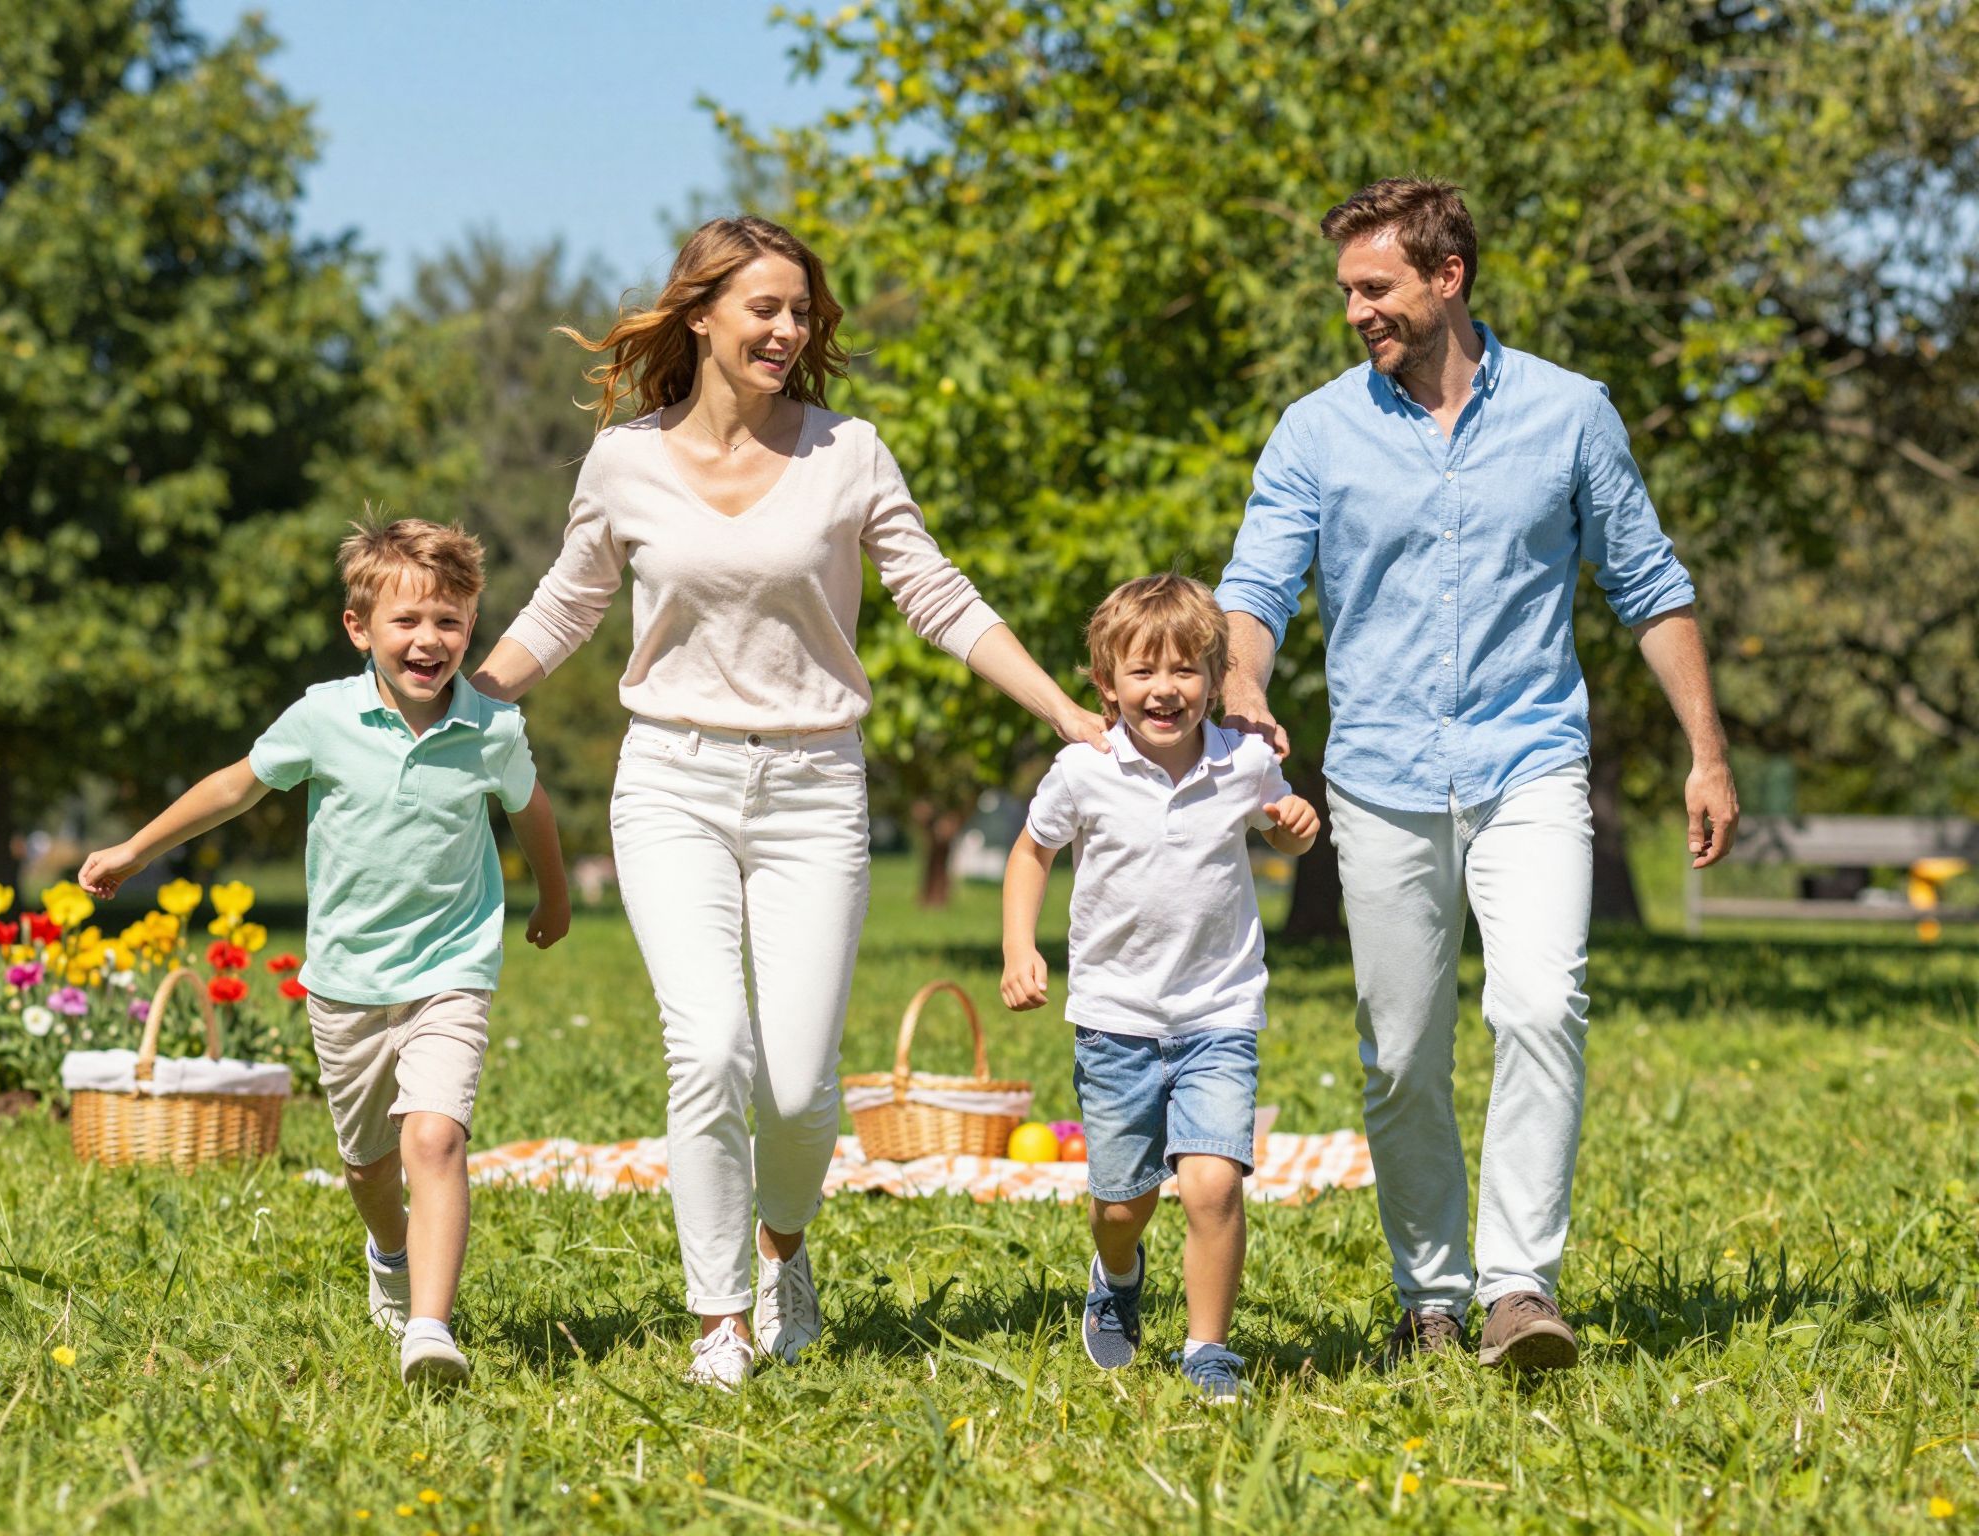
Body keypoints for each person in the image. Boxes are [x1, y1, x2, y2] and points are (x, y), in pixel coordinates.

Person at [468, 215, 1108, 1391]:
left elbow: (935, 593)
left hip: (815, 786)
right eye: (764, 307)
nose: (786, 329)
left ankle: (783, 1250)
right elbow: (565, 606)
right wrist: (460, 704)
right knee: (707, 1046)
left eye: (801, 312)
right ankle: (718, 1315)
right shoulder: (622, 461)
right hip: (670, 778)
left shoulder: (844, 452)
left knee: (804, 1085)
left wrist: (1062, 711)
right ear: (699, 313)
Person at [1216, 179, 1739, 1372]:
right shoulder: (1315, 431)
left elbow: (1648, 585)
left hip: (1529, 762)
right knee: (1400, 1051)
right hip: (1382, 775)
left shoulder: (1568, 414)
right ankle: (1428, 1294)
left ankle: (1516, 1286)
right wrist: (1243, 679)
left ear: (1447, 277)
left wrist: (1705, 751)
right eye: (1345, 290)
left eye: (1375, 287)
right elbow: (1253, 587)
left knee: (1539, 1002)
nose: (1355, 311)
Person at [80, 518, 570, 1388]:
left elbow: (530, 813)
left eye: (451, 623)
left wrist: (554, 894)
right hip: (344, 981)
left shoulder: (493, 727)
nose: (430, 641)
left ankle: (430, 1328)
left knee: (435, 1139)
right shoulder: (323, 717)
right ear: (360, 629)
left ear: (472, 626)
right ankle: (388, 1251)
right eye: (408, 622)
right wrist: (134, 850)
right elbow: (235, 786)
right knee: (368, 1165)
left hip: (451, 969)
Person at [999, 574, 1318, 1403]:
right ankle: (1118, 1272)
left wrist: (1293, 833)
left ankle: (1207, 1349)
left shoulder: (1246, 762)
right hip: (1115, 1019)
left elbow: (1280, 835)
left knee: (1213, 1184)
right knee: (1122, 1201)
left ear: (1215, 678)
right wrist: (1017, 947)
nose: (1164, 689)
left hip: (1218, 1013)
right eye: (1142, 672)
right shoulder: (1084, 769)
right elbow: (1031, 853)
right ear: (1107, 684)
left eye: (1184, 671)